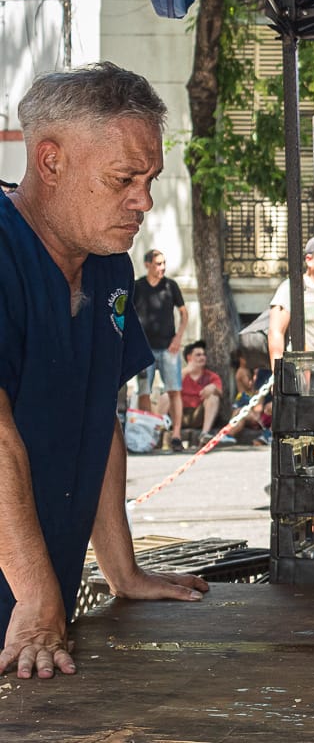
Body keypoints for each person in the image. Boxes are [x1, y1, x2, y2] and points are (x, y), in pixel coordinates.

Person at [0, 62, 209, 680]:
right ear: (51, 161)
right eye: (124, 178)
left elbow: (100, 421)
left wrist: (123, 570)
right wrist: (38, 600)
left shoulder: (108, 264)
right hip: (31, 605)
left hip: (42, 611)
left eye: (149, 178)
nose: (143, 201)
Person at [131, 248, 188, 451]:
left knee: (174, 390)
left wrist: (178, 338)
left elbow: (184, 314)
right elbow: (128, 315)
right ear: (147, 265)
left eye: (164, 263)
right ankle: (149, 433)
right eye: (158, 263)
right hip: (145, 349)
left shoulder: (170, 286)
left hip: (168, 348)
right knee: (144, 391)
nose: (162, 267)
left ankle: (176, 435)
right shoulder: (137, 286)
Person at [267, 235, 314, 369]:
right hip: (303, 371)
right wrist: (278, 375)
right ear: (309, 260)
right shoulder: (291, 288)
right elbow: (276, 333)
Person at [179, 341, 236, 446]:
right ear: (189, 358)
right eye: (198, 355)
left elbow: (220, 393)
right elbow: (171, 389)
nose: (202, 357)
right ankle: (162, 431)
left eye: (204, 355)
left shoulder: (211, 376)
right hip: (181, 414)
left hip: (198, 415)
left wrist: (214, 388)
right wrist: (186, 371)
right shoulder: (181, 373)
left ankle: (204, 434)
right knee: (165, 397)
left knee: (213, 397)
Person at [225, 348, 271, 444]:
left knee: (240, 412)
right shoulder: (242, 371)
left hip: (261, 409)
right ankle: (228, 434)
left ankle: (229, 434)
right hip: (247, 399)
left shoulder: (255, 372)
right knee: (239, 412)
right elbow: (250, 387)